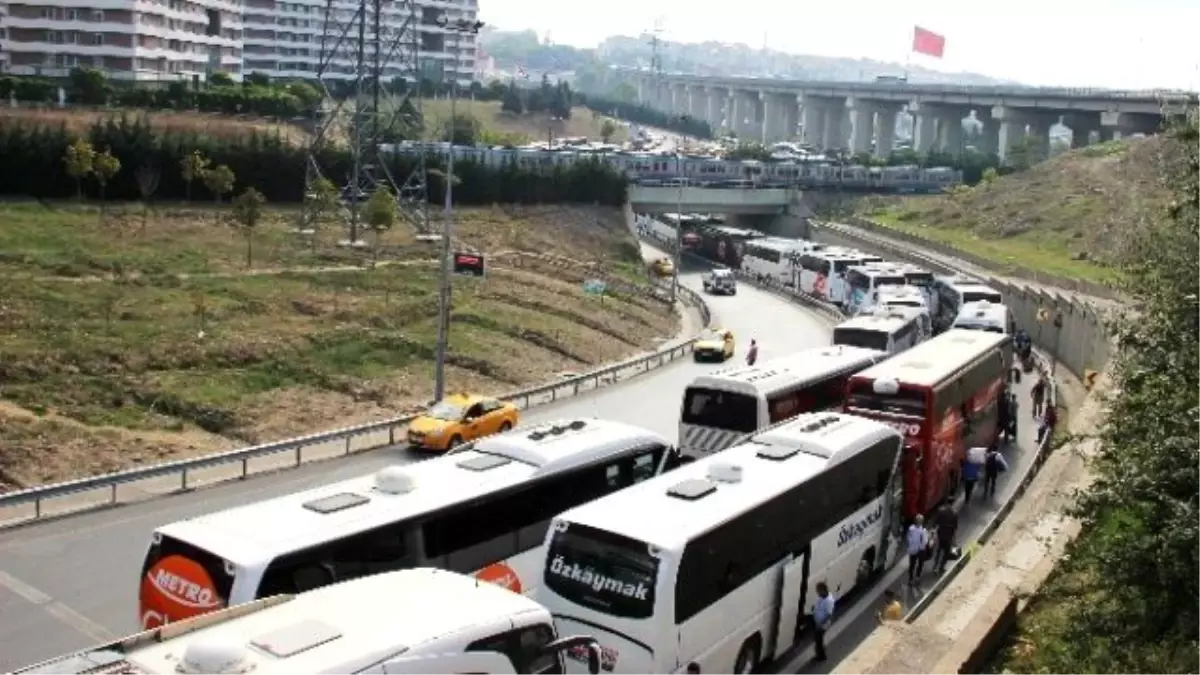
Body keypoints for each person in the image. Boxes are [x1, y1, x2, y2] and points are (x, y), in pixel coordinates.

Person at [932, 502, 959, 574]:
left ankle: (935, 566)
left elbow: (936, 523)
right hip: (949, 536)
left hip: (940, 534)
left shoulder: (941, 511)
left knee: (938, 551)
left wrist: (934, 534)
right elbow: (955, 529)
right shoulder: (955, 514)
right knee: (946, 553)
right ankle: (942, 567)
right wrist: (955, 540)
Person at [812, 581, 835, 662]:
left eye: (818, 590)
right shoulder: (821, 597)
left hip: (822, 625)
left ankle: (821, 656)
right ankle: (820, 653)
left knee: (819, 641)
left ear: (823, 590)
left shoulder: (829, 601)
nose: (817, 592)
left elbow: (829, 615)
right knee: (818, 639)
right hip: (818, 621)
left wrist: (820, 623)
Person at [906, 515, 928, 586]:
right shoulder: (923, 530)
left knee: (912, 565)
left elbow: (908, 538)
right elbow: (925, 541)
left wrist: (911, 544)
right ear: (922, 521)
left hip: (912, 549)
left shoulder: (911, 528)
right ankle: (917, 577)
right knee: (920, 564)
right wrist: (921, 547)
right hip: (920, 550)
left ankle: (910, 579)